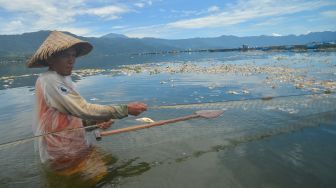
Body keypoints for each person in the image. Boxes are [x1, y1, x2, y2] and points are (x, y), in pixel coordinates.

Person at [27, 31, 147, 180]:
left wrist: (94, 123)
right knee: (100, 177)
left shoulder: (62, 79)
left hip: (76, 147)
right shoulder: (49, 80)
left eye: (73, 55)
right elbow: (83, 109)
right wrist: (125, 110)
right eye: (65, 55)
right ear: (51, 59)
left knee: (105, 170)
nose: (71, 61)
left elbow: (70, 117)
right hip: (63, 153)